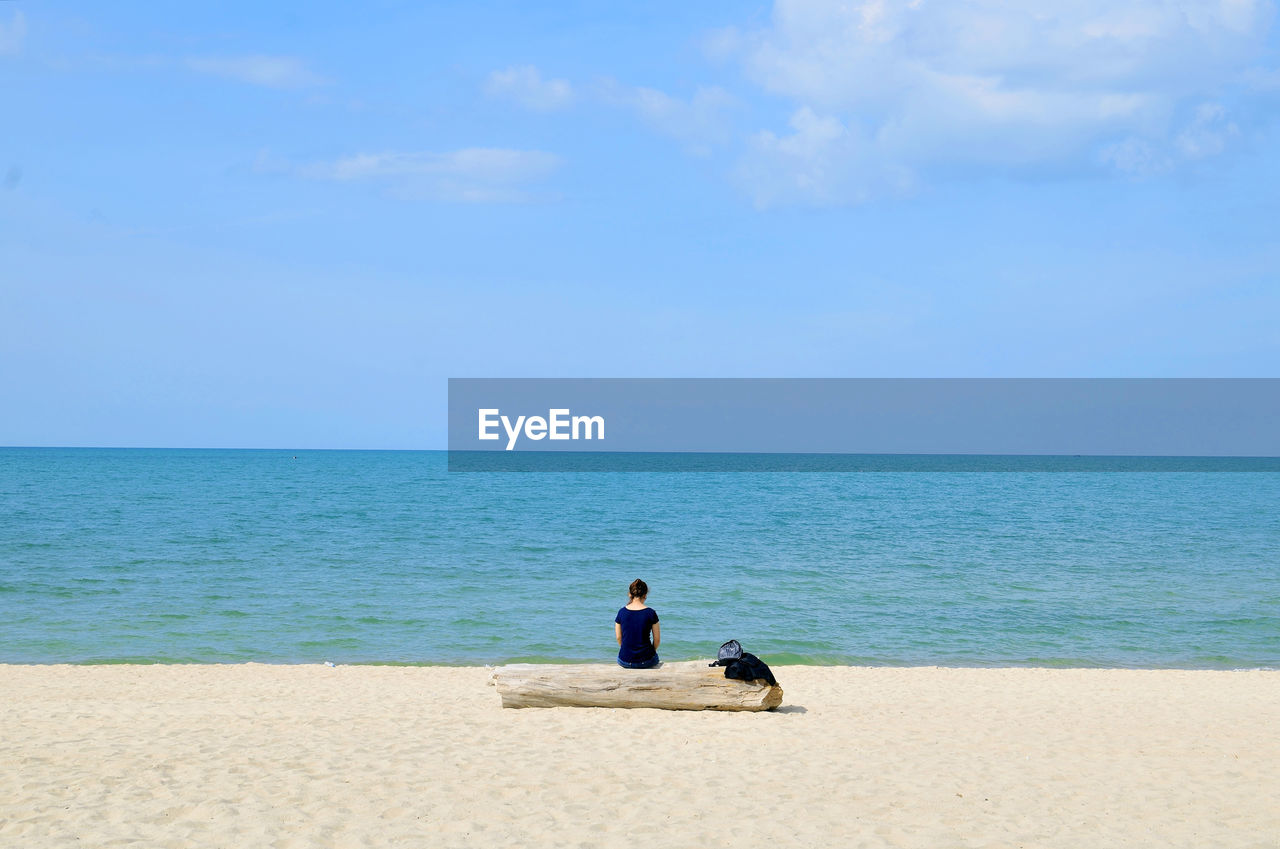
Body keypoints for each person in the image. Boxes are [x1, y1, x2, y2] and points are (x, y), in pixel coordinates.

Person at [614, 578, 660, 668]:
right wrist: (651, 652)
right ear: (645, 595)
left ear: (629, 594)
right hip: (646, 661)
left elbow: (619, 637)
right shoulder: (651, 613)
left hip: (624, 661)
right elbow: (657, 640)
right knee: (656, 657)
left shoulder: (621, 612)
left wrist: (626, 651)